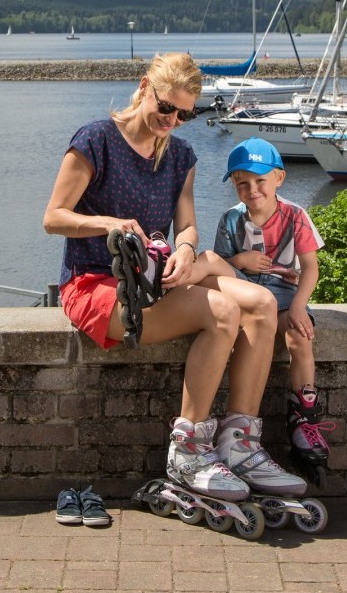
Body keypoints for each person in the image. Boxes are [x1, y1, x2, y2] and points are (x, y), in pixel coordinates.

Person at [43, 53, 306, 505]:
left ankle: (238, 443)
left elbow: (186, 224)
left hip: (153, 281)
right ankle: (187, 451)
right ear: (145, 87)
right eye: (167, 108)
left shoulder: (181, 154)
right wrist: (109, 223)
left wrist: (185, 249)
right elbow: (54, 218)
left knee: (261, 304)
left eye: (185, 114)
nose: (173, 120)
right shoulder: (96, 139)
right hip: (95, 285)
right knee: (223, 310)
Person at [213, 138, 334, 485]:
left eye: (260, 181)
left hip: (284, 296)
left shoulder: (295, 216)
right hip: (246, 296)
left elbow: (310, 267)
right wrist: (239, 260)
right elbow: (217, 266)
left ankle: (305, 415)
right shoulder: (230, 220)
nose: (252, 190)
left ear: (278, 178)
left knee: (300, 334)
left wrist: (298, 305)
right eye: (242, 184)